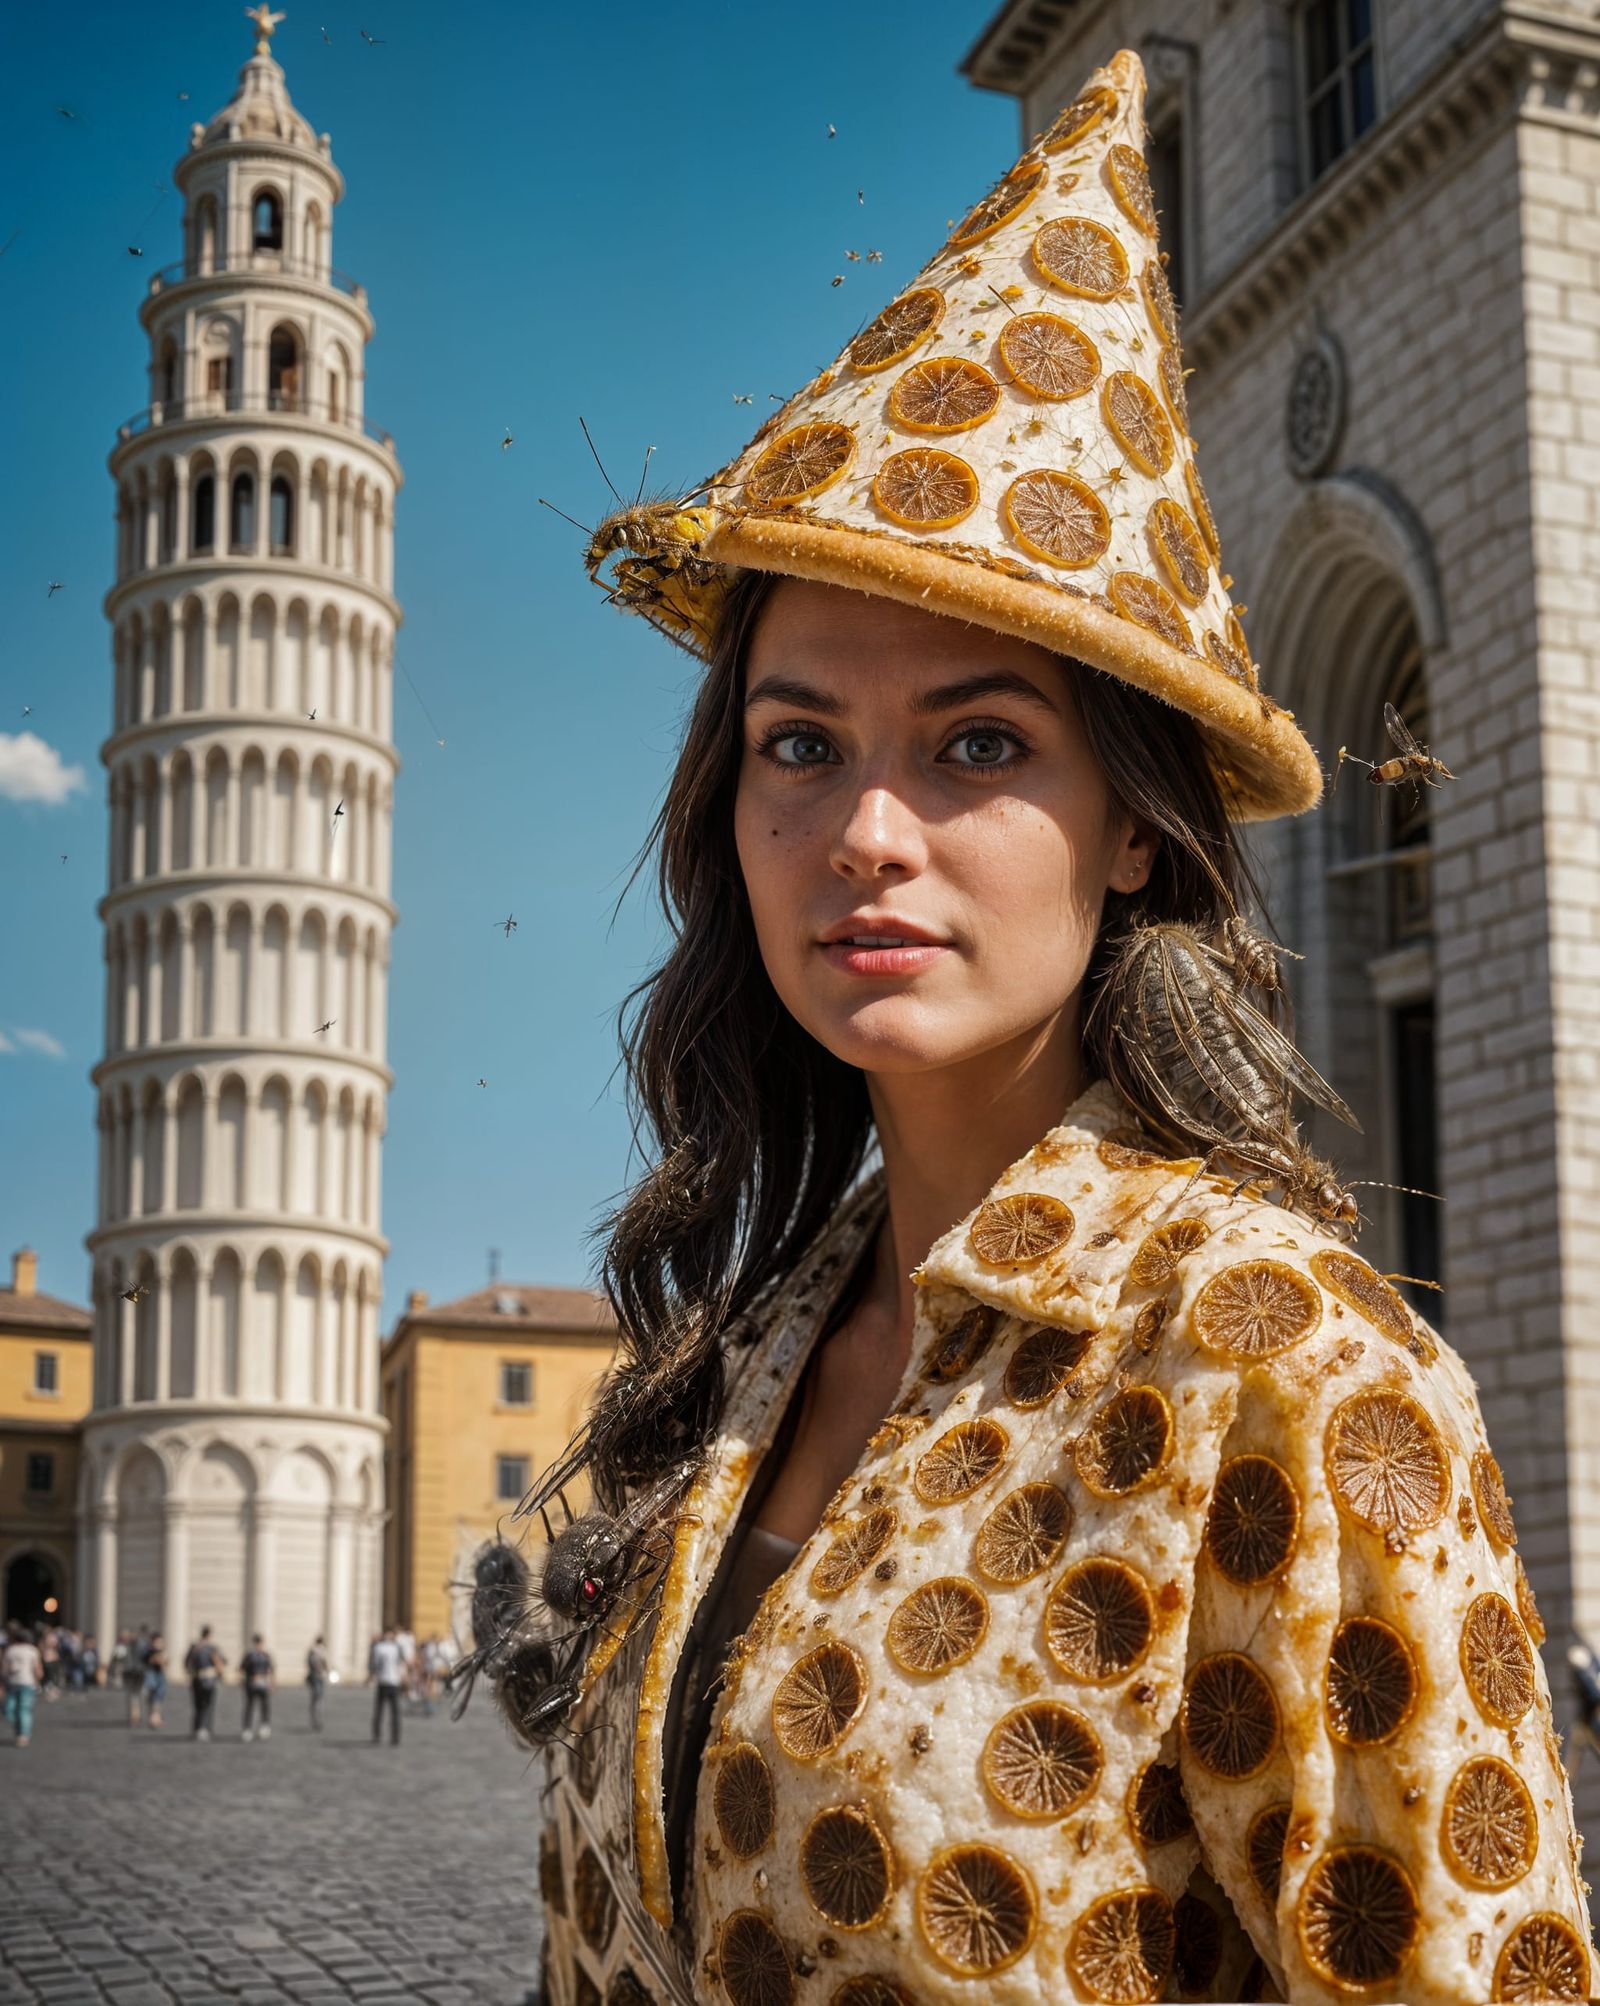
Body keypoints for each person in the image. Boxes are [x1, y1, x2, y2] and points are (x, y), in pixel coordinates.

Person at [528, 49, 1590, 2006]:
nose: (863, 829)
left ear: (1125, 831)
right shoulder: (761, 1347)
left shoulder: (1292, 1377)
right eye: (799, 743)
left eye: (977, 744)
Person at [2, 1620, 43, 1746]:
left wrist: (3, 1681)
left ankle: (20, 1730)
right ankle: (23, 1735)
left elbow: (4, 1669)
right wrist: (39, 1680)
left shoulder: (10, 1650)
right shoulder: (32, 1650)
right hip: (28, 1682)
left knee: (9, 1708)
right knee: (24, 1709)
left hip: (13, 1682)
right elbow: (37, 1669)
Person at [184, 1625, 225, 1740]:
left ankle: (197, 1728)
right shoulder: (211, 1648)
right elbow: (220, 1663)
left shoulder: (194, 1647)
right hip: (209, 1679)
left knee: (197, 1705)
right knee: (208, 1704)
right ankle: (205, 1728)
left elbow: (187, 1663)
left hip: (196, 1678)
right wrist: (221, 1675)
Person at [368, 1627, 402, 1745]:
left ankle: (377, 1736)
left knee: (379, 1711)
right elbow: (399, 1663)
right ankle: (395, 1737)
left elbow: (375, 1664)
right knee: (395, 1712)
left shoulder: (378, 1647)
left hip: (383, 1681)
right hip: (394, 1682)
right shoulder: (396, 1648)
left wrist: (372, 1675)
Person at [239, 1634, 273, 1741]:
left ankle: (264, 1727)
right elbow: (242, 1669)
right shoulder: (249, 1656)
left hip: (263, 1684)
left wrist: (271, 1683)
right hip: (252, 1684)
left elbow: (270, 1669)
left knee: (265, 1706)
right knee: (250, 1706)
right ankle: (247, 1729)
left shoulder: (266, 1655)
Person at [142, 1631, 167, 1729]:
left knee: (158, 1698)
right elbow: (155, 1661)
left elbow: (165, 1663)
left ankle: (155, 1717)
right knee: (153, 1698)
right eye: (158, 1642)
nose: (160, 1644)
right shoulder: (149, 1651)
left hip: (159, 1675)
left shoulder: (160, 1651)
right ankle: (154, 1718)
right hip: (151, 1675)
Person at [306, 1635, 329, 1732]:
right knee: (318, 1699)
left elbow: (309, 1663)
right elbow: (324, 1664)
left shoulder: (312, 1651)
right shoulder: (320, 1651)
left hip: (315, 1676)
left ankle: (316, 1720)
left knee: (316, 1699)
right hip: (318, 1676)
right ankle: (317, 1721)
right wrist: (326, 1672)